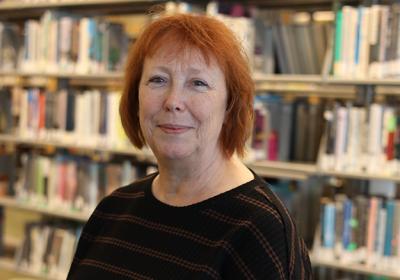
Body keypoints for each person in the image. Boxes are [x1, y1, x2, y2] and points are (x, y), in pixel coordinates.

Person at [67, 13, 312, 280]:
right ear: (135, 96)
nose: (173, 101)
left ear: (230, 106)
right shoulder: (113, 210)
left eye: (198, 83)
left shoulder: (261, 231)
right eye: (158, 80)